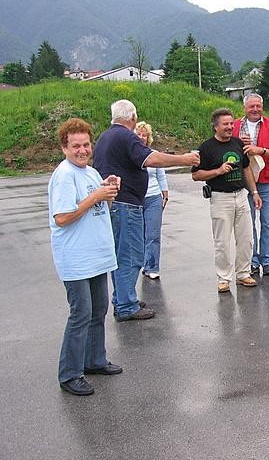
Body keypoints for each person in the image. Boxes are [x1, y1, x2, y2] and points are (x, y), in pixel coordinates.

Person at [93, 100, 200, 322]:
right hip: (126, 204)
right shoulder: (125, 136)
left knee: (121, 253)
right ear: (132, 117)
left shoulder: (106, 136)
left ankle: (123, 298)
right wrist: (184, 159)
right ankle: (126, 305)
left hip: (113, 203)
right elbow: (151, 158)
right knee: (131, 254)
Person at [48, 118, 123, 396]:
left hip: (96, 256)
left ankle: (94, 360)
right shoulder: (64, 175)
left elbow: (101, 203)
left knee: (98, 309)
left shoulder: (90, 172)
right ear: (64, 148)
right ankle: (69, 374)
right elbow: (63, 216)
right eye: (75, 146)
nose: (82, 150)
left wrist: (109, 189)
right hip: (76, 258)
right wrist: (96, 196)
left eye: (86, 144)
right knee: (81, 314)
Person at [192, 108, 262, 293]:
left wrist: (254, 192)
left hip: (241, 196)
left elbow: (246, 169)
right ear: (215, 126)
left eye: (232, 123)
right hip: (220, 198)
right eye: (226, 124)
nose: (230, 127)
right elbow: (196, 175)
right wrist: (218, 171)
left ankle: (243, 274)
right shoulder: (205, 148)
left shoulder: (238, 144)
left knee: (246, 239)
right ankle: (223, 278)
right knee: (222, 241)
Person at [232, 93, 269, 276]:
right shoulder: (235, 126)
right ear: (244, 108)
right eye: (251, 106)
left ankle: (267, 261)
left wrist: (261, 150)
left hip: (267, 181)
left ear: (262, 107)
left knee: (268, 223)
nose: (255, 109)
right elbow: (227, 150)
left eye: (258, 106)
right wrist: (241, 145)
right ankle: (252, 260)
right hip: (243, 182)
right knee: (248, 224)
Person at [135, 122, 168, 280]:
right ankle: (138, 263)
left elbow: (160, 174)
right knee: (137, 235)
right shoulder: (130, 154)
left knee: (153, 234)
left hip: (153, 197)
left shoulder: (153, 154)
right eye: (138, 134)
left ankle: (152, 267)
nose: (141, 137)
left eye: (144, 135)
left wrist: (165, 192)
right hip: (135, 199)